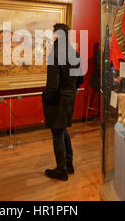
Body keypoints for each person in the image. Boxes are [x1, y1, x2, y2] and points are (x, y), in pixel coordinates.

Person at [42, 23, 84, 181]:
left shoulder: (54, 54)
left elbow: (52, 86)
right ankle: (69, 164)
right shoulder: (75, 53)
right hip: (69, 98)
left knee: (57, 133)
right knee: (62, 130)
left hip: (57, 101)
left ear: (57, 36)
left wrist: (44, 97)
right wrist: (70, 92)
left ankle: (61, 170)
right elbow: (80, 79)